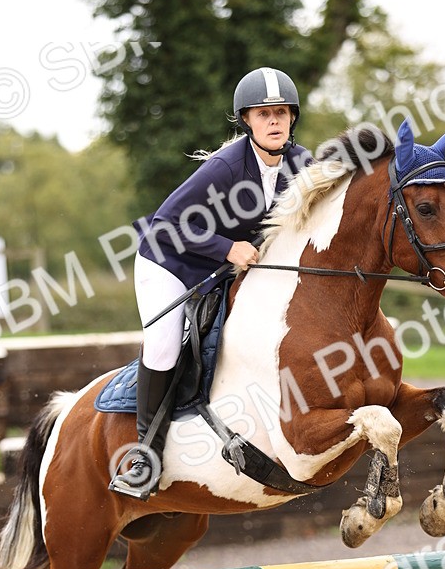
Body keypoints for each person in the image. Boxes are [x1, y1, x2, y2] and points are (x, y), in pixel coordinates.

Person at [110, 66, 313, 499]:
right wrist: (226, 248)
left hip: (225, 268)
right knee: (165, 345)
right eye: (263, 114)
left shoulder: (302, 164)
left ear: (292, 117)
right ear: (247, 121)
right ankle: (145, 455)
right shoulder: (225, 167)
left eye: (281, 112)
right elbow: (162, 226)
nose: (274, 121)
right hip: (168, 262)